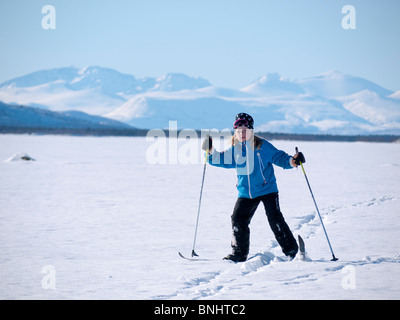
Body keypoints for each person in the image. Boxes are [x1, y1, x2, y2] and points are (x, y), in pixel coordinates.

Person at [202, 113, 305, 262]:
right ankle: (239, 254)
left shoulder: (262, 146)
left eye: (245, 130)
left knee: (275, 219)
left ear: (251, 130)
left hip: (267, 189)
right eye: (238, 130)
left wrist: (293, 161)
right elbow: (220, 159)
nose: (242, 133)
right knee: (238, 219)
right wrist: (210, 151)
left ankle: (292, 252)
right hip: (246, 192)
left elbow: (279, 157)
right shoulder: (235, 149)